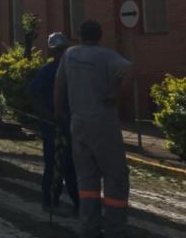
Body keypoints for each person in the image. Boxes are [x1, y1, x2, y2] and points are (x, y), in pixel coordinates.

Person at [54, 20, 133, 238]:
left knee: (86, 179)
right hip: (103, 123)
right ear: (100, 36)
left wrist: (58, 112)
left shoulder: (69, 55)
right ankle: (115, 229)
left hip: (78, 123)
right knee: (114, 175)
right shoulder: (106, 56)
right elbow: (128, 72)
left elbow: (59, 85)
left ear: (79, 35)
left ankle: (89, 227)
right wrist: (117, 98)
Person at [27, 32, 79, 215]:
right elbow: (33, 93)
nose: (61, 53)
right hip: (53, 125)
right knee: (54, 164)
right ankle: (50, 199)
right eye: (59, 50)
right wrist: (46, 114)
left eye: (63, 50)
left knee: (70, 164)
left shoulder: (72, 70)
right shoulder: (48, 70)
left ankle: (75, 202)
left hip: (71, 122)